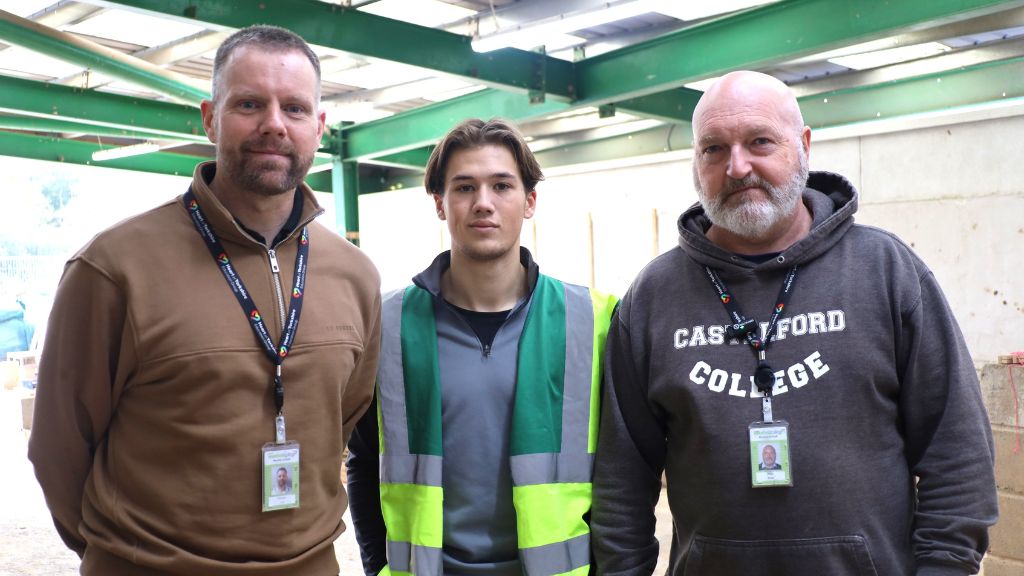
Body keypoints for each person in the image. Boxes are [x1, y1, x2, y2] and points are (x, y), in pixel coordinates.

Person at [591, 71, 997, 575]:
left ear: (803, 146)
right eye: (714, 149)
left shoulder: (886, 271)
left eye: (760, 141)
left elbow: (956, 454)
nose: (737, 167)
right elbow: (620, 483)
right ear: (696, 165)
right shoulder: (653, 297)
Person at [28, 25, 381, 575]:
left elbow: (341, 418)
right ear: (210, 117)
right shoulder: (115, 267)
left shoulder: (354, 276)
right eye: (248, 103)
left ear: (318, 126)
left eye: (293, 107)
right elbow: (59, 450)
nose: (273, 123)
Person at [345, 118, 618, 576]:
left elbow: (622, 473)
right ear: (440, 203)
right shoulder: (387, 323)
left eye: (502, 186)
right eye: (465, 187)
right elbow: (365, 462)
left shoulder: (592, 320)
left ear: (530, 201)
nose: (483, 203)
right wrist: (375, 566)